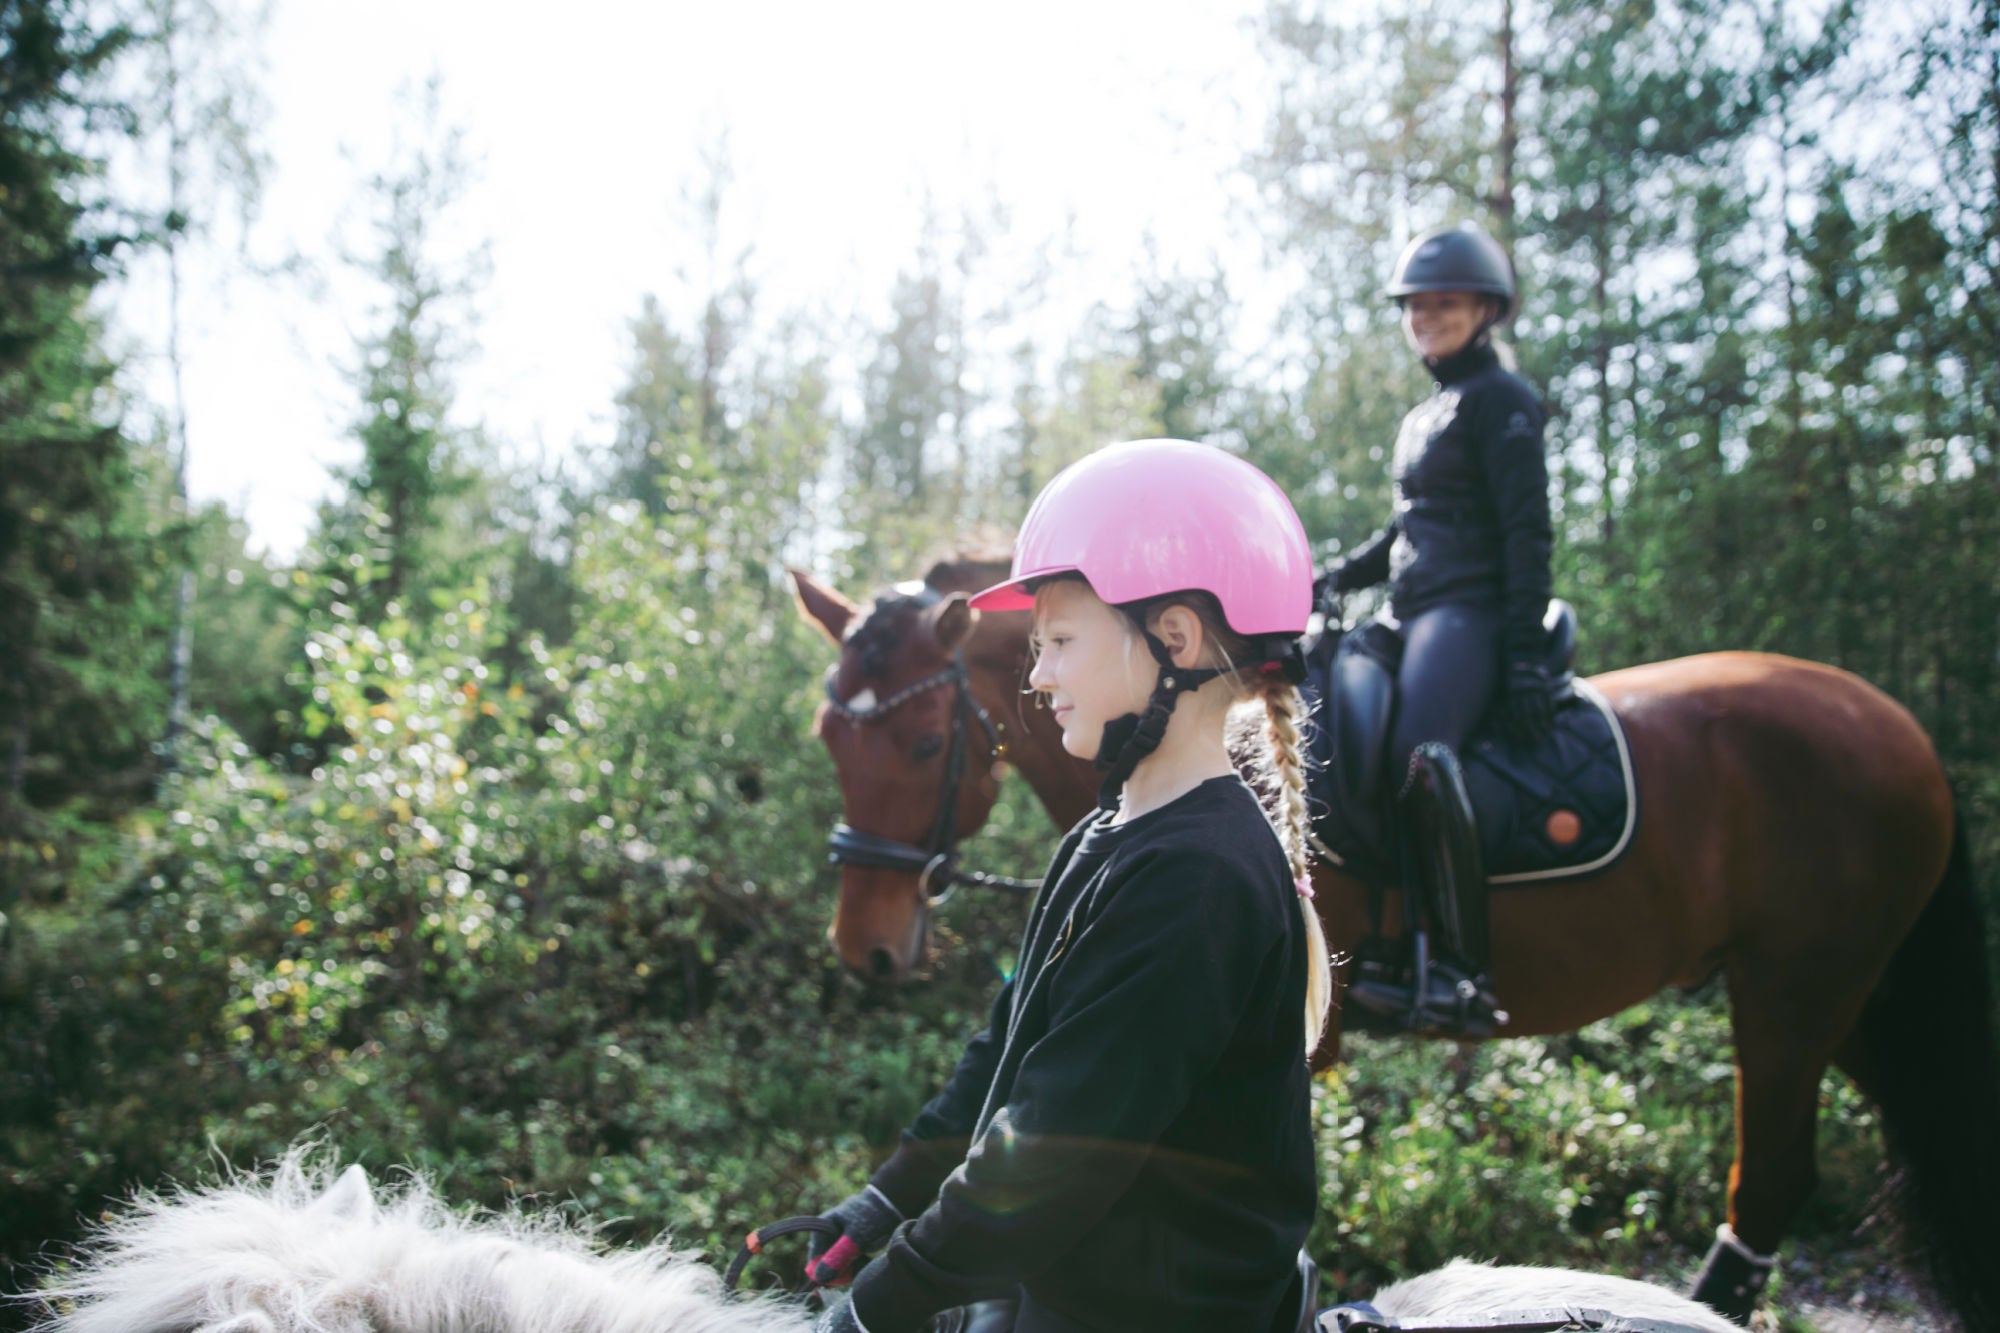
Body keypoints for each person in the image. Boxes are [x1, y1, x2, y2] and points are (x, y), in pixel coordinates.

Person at [810, 439, 1334, 1333]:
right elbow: (1008, 1048)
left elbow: (1057, 1151)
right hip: (1080, 1280)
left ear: (1173, 640)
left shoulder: (1196, 875)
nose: (1038, 673)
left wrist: (880, 1304)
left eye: (1058, 641)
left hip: (1161, 1313)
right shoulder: (1108, 830)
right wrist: (885, 1201)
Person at [1316, 222, 1555, 1026]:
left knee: (1420, 753)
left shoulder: (1504, 403)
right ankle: (1370, 928)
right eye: (1416, 306)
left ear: (1487, 309)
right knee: (1322, 712)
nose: (1427, 317)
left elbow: (1526, 533)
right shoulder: (1430, 411)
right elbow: (1410, 529)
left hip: (1470, 612)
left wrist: (1522, 656)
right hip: (1406, 610)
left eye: (1445, 304)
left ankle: (1457, 966)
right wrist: (1337, 576)